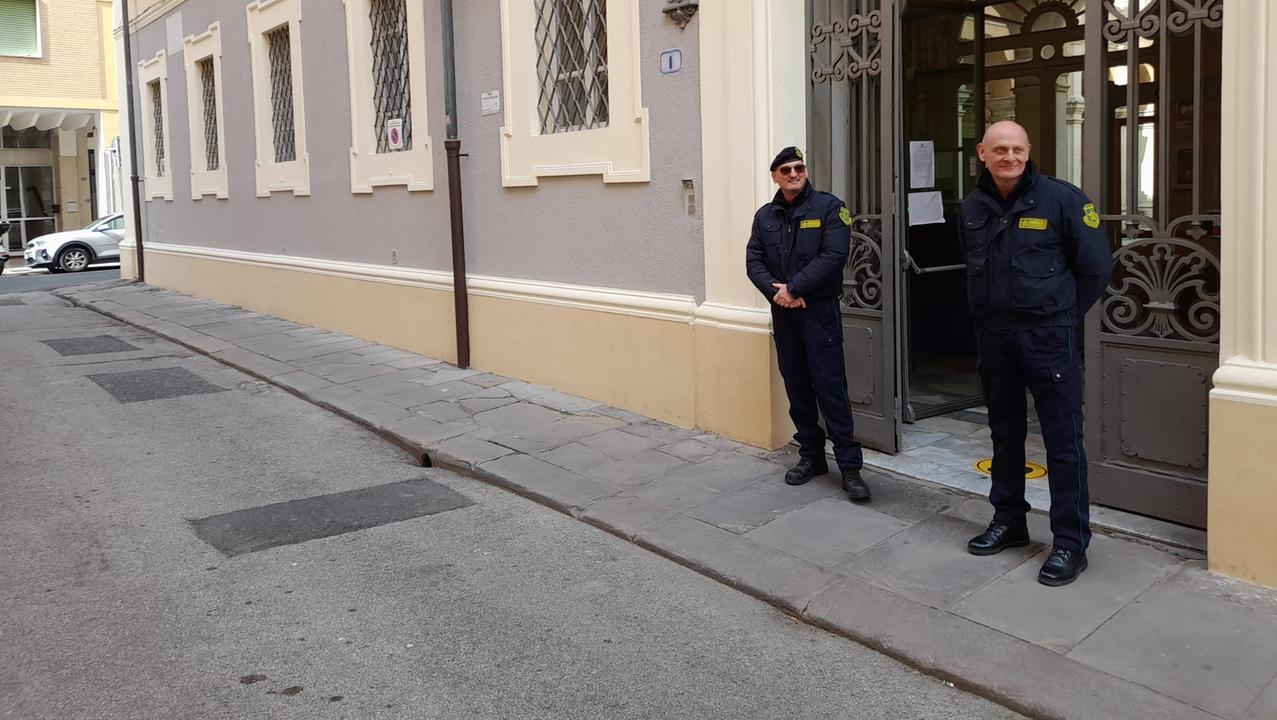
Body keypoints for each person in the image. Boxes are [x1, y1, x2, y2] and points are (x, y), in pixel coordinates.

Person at [959, 121, 1113, 586]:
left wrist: (1061, 316)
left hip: (1049, 338)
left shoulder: (1063, 199)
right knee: (1004, 435)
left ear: (1029, 152)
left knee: (1063, 442)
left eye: (1018, 149)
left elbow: (1095, 269)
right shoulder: (971, 205)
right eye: (1000, 149)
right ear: (983, 153)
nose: (1010, 156)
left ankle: (1070, 542)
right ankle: (1009, 521)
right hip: (996, 338)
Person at [745, 146, 870, 502]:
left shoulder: (830, 208)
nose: (794, 174)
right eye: (785, 170)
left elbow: (834, 256)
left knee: (831, 390)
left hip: (819, 313)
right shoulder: (765, 216)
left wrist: (795, 288)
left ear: (806, 170)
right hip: (784, 314)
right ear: (775, 176)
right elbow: (753, 260)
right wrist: (778, 294)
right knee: (798, 389)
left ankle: (850, 468)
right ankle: (812, 457)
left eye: (799, 168)